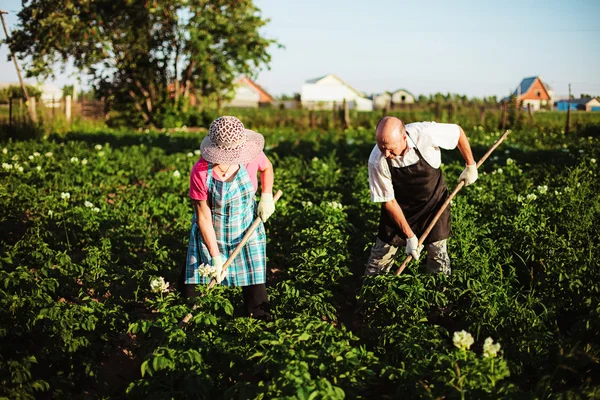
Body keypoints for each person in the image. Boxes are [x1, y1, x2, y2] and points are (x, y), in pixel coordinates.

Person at [182, 116, 275, 320]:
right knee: (192, 297)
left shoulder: (252, 157)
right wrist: (215, 257)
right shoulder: (200, 172)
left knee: (257, 301)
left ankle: (260, 332)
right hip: (211, 235)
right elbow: (204, 218)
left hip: (246, 230)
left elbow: (267, 168)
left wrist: (266, 196)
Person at [364, 116, 477, 276]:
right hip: (399, 209)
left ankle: (439, 294)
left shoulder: (425, 133)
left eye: (390, 148)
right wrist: (409, 236)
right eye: (382, 148)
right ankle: (371, 295)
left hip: (433, 204)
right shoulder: (377, 159)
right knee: (379, 259)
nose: (386, 153)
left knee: (437, 256)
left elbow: (457, 132)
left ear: (403, 138)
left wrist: (470, 165)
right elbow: (389, 201)